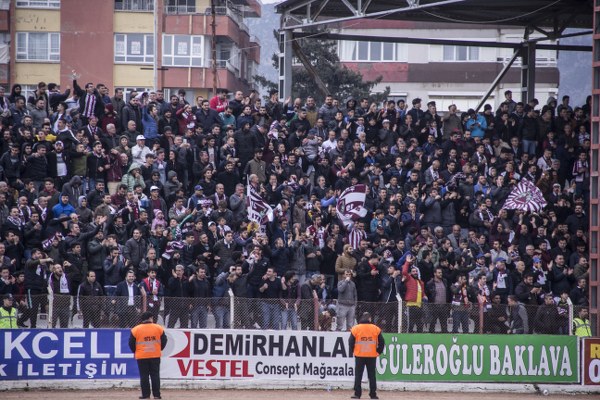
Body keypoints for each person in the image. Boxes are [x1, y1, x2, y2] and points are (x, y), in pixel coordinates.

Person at [128, 311, 168, 400]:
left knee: (144, 376)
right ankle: (157, 395)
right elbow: (164, 341)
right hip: (155, 355)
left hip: (142, 356)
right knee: (155, 375)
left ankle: (145, 395)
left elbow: (131, 343)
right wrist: (159, 348)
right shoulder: (158, 328)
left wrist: (136, 351)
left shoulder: (135, 329)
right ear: (150, 318)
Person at [349, 312, 385, 400]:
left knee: (358, 375)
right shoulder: (376, 328)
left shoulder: (355, 328)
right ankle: (373, 395)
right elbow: (382, 342)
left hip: (359, 355)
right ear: (369, 319)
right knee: (372, 375)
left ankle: (357, 394)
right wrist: (378, 352)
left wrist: (353, 351)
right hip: (372, 355)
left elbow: (350, 342)